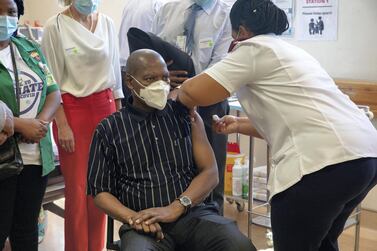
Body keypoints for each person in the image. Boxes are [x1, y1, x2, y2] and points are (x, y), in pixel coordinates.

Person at [176, 0, 377, 250]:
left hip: (323, 163)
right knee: (322, 242)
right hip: (363, 158)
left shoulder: (252, 48)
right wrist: (239, 123)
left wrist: (177, 88)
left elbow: (194, 93)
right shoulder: (289, 50)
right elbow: (294, 119)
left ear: (240, 29)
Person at [87, 49, 256, 251]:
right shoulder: (109, 129)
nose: (160, 84)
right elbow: (100, 192)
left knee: (238, 245)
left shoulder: (186, 116)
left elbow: (210, 173)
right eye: (150, 78)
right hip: (144, 223)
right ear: (130, 82)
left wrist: (176, 207)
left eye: (164, 77)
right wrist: (132, 218)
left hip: (193, 215)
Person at [41, 0, 124, 250]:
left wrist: (118, 120)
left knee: (101, 189)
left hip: (106, 107)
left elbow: (116, 78)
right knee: (77, 192)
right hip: (71, 111)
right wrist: (62, 124)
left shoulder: (107, 23)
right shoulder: (54, 26)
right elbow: (51, 81)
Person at [152, 0, 232, 214]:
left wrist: (189, 90)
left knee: (210, 174)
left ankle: (213, 229)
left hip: (208, 104)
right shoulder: (168, 9)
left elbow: (222, 65)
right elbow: (153, 52)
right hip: (168, 100)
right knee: (171, 169)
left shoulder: (226, 14)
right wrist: (165, 78)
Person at [0, 0, 61, 250]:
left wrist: (40, 124)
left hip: (36, 156)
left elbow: (53, 91)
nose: (5, 18)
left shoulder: (30, 48)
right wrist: (20, 125)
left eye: (11, 12)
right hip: (4, 158)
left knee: (26, 231)